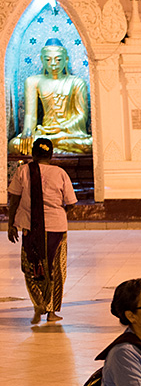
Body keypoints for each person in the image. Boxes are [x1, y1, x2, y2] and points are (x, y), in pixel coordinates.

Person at [6, 138, 77, 324]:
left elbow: (14, 200)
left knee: (32, 267)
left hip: (30, 228)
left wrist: (11, 224)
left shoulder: (23, 171)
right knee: (56, 270)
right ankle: (51, 311)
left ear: (33, 154)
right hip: (57, 229)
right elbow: (71, 203)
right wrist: (58, 212)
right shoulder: (60, 173)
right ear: (51, 155)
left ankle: (39, 303)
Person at [8, 38, 91, 156]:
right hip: (44, 133)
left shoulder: (77, 82)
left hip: (67, 134)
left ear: (66, 60)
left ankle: (50, 146)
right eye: (48, 59)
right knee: (15, 144)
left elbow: (81, 116)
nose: (53, 64)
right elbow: (30, 115)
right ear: (42, 60)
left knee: (89, 144)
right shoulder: (33, 81)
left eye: (58, 60)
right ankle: (53, 145)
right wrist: (27, 133)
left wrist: (61, 128)